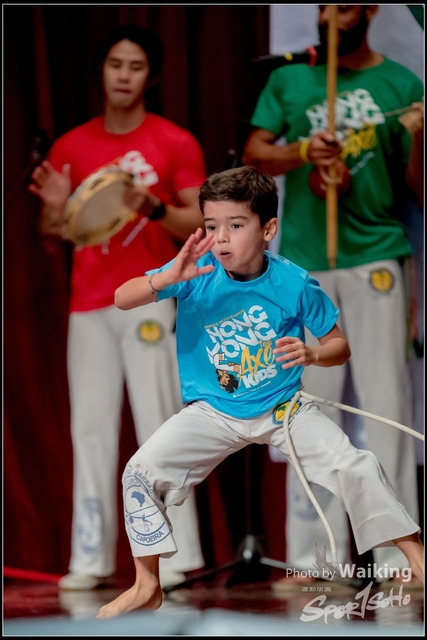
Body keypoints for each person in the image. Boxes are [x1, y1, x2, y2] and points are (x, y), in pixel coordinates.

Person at [95, 165, 423, 619]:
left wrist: (312, 354)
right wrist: (167, 278)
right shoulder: (195, 271)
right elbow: (121, 297)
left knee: (356, 465)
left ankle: (417, 561)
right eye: (212, 227)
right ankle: (147, 583)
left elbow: (339, 346)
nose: (222, 238)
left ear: (268, 228)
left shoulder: (293, 282)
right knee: (139, 472)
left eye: (235, 225)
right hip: (213, 411)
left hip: (283, 408)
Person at [242, 4, 424, 584]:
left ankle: (398, 557)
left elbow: (417, 186)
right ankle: (315, 559)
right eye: (323, 6)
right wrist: (304, 153)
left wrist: (419, 139)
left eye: (345, 6)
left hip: (375, 255)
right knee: (307, 412)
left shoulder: (400, 83)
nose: (332, 15)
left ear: (369, 11)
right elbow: (254, 153)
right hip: (305, 267)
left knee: (386, 408)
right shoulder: (290, 80)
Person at [28, 24, 206, 591]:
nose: (123, 75)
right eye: (114, 65)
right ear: (102, 72)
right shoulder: (71, 147)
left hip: (150, 296)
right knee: (91, 429)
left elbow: (197, 223)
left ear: (148, 76)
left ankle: (172, 558)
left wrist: (151, 206)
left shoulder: (174, 141)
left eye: (134, 66)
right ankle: (89, 558)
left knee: (159, 427)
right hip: (88, 305)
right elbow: (54, 233)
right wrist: (55, 209)